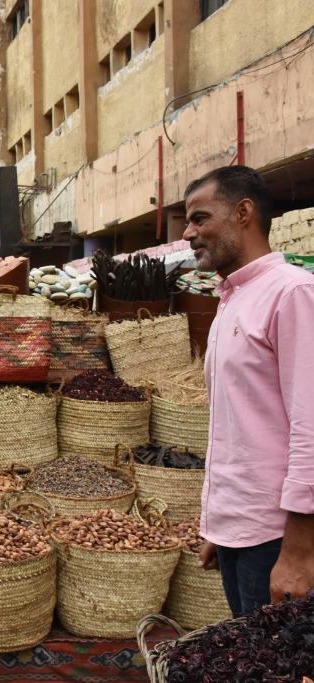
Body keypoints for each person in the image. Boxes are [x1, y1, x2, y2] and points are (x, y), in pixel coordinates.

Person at [185, 165, 314, 617]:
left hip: (279, 537)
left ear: (243, 212)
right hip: (242, 531)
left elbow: (310, 426)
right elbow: (235, 426)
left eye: (200, 218)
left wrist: (299, 551)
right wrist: (220, 527)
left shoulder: (292, 293)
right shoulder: (232, 300)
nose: (188, 233)